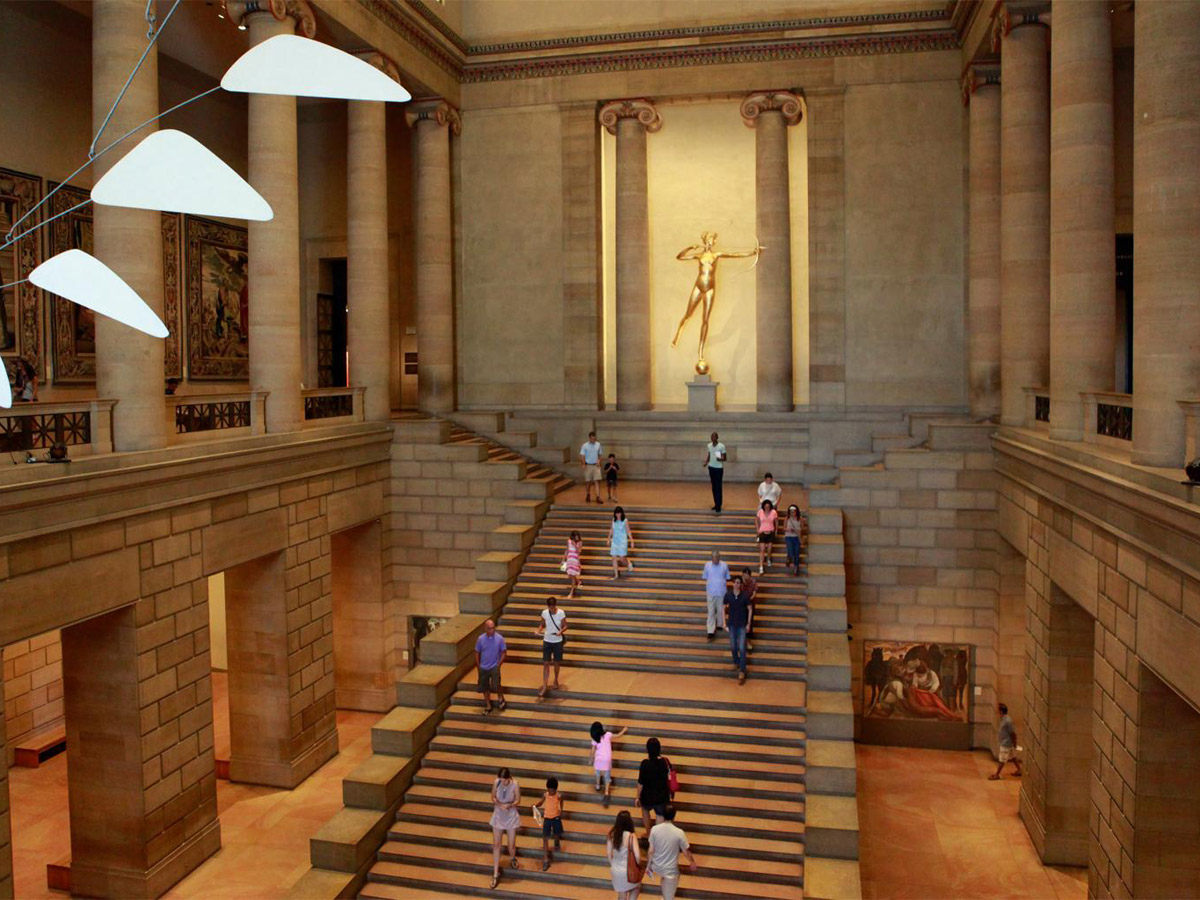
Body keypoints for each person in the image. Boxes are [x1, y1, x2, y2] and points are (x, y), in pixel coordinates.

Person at [646, 804, 696, 900]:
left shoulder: (654, 830)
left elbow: (651, 851)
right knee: (669, 897)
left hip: (657, 866)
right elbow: (686, 852)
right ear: (674, 816)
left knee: (665, 891)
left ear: (663, 815)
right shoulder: (679, 832)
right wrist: (692, 862)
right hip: (670, 870)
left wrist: (648, 866)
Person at [489, 767, 521, 889]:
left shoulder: (515, 784)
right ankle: (495, 872)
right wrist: (498, 803)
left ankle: (512, 857)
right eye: (501, 780)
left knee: (511, 845)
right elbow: (492, 797)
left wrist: (510, 805)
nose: (503, 782)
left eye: (505, 780)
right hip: (498, 814)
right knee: (496, 844)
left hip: (510, 815)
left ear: (509, 778)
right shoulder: (496, 782)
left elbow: (518, 800)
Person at [636, 737, 671, 840]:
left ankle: (648, 832)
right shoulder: (665, 762)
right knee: (660, 815)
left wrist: (638, 797)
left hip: (647, 796)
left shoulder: (644, 764)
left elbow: (640, 782)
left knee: (645, 810)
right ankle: (657, 838)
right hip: (661, 796)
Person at [590, 720, 629, 808]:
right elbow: (618, 735)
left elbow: (592, 751)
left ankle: (597, 785)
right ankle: (606, 792)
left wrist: (590, 759)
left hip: (599, 760)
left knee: (598, 773)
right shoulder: (607, 734)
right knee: (607, 776)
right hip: (607, 759)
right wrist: (624, 730)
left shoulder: (595, 739)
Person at [535, 596, 567, 698]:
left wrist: (560, 632)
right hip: (547, 640)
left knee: (557, 662)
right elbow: (542, 624)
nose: (552, 609)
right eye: (550, 608)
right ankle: (544, 685)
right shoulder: (544, 613)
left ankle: (556, 679)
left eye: (553, 607)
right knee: (546, 663)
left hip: (557, 641)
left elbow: (566, 625)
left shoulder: (561, 613)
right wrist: (538, 631)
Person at [606, 809, 642, 900]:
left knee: (622, 895)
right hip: (628, 870)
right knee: (636, 888)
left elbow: (609, 854)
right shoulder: (631, 836)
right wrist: (638, 864)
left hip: (616, 870)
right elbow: (637, 856)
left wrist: (613, 865)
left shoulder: (612, 835)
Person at [724, 576, 754, 684]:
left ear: (741, 585)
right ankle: (736, 662)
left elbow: (750, 609)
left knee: (742, 648)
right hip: (732, 624)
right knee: (733, 646)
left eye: (738, 582)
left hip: (742, 625)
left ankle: (742, 671)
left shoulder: (745, 596)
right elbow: (723, 608)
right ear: (733, 584)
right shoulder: (728, 595)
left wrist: (749, 623)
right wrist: (724, 622)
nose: (736, 584)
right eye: (735, 582)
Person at [474, 619, 507, 714]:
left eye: (493, 628)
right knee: (485, 687)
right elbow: (477, 652)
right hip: (483, 667)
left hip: (494, 666)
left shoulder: (500, 638)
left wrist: (498, 664)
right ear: (485, 629)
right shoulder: (480, 639)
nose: (491, 631)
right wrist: (478, 665)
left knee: (496, 684)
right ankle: (488, 705)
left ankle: (500, 697)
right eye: (489, 629)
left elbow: (503, 652)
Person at [534, 776, 564, 870]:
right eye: (549, 790)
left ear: (555, 789)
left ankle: (556, 841)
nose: (550, 792)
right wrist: (535, 805)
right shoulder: (545, 795)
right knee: (545, 837)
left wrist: (561, 811)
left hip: (555, 817)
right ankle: (546, 860)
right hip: (547, 818)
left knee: (557, 833)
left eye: (552, 791)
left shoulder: (558, 796)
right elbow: (541, 802)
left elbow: (562, 802)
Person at [989, 703, 1023, 780]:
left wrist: (1015, 742)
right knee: (1013, 757)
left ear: (1001, 711)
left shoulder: (1008, 721)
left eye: (998, 710)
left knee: (1002, 759)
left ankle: (997, 774)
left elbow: (1012, 733)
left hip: (1006, 744)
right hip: (1007, 743)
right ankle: (1019, 770)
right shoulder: (1003, 719)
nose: (997, 712)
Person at [702, 551, 730, 640]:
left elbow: (727, 577)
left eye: (717, 558)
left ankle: (720, 624)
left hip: (721, 591)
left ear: (719, 557)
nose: (715, 559)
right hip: (711, 592)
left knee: (720, 610)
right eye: (714, 558)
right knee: (711, 611)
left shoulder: (724, 565)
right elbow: (705, 576)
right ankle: (710, 630)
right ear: (711, 558)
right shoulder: (707, 565)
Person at [702, 432, 726, 513]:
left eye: (714, 436)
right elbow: (709, 455)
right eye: (711, 436)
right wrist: (706, 462)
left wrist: (721, 459)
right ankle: (716, 503)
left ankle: (719, 505)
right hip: (711, 467)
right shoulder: (709, 445)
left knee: (718, 487)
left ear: (717, 437)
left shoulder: (721, 446)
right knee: (713, 487)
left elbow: (725, 457)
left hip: (718, 468)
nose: (712, 438)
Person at [608, 506, 634, 580]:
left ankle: (628, 563)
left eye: (619, 513)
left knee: (622, 558)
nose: (618, 515)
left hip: (622, 541)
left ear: (622, 513)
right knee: (613, 558)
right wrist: (608, 538)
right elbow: (611, 530)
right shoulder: (613, 520)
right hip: (615, 541)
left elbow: (628, 531)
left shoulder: (625, 521)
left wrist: (632, 541)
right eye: (617, 514)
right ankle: (616, 575)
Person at [580, 431, 604, 503]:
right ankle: (588, 494)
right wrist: (583, 464)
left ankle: (598, 496)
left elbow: (600, 455)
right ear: (589, 438)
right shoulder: (585, 445)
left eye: (594, 439)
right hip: (588, 465)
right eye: (592, 439)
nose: (593, 440)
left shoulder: (598, 445)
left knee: (597, 481)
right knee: (588, 482)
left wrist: (599, 461)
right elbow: (582, 456)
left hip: (596, 465)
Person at [756, 499, 778, 574]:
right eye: (765, 507)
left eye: (768, 507)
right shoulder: (760, 512)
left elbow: (776, 522)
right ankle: (761, 566)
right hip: (762, 532)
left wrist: (776, 531)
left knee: (769, 548)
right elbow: (756, 520)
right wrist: (758, 530)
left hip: (771, 532)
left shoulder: (774, 512)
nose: (767, 508)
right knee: (762, 549)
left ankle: (769, 558)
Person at [783, 505, 804, 576]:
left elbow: (803, 528)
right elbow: (784, 528)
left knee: (797, 552)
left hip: (796, 537)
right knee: (791, 550)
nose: (792, 513)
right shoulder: (787, 518)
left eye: (794, 512)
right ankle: (789, 557)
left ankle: (796, 567)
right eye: (791, 512)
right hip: (789, 536)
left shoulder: (800, 519)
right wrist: (788, 529)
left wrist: (797, 531)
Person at [562, 529, 583, 600]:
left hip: (575, 560)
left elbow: (578, 552)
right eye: (575, 536)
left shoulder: (580, 543)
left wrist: (575, 545)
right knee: (569, 575)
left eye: (577, 536)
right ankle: (578, 581)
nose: (576, 538)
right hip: (569, 559)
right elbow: (567, 550)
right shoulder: (569, 541)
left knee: (573, 575)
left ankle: (571, 592)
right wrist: (563, 559)